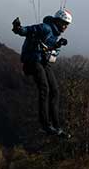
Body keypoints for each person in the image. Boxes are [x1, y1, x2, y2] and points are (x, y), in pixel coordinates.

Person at [12, 8, 72, 136]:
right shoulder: (45, 28)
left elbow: (49, 50)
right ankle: (45, 125)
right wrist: (18, 28)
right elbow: (28, 30)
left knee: (55, 91)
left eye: (67, 25)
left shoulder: (55, 34)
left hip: (43, 62)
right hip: (32, 60)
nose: (65, 27)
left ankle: (57, 126)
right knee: (45, 88)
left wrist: (57, 46)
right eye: (64, 23)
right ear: (57, 21)